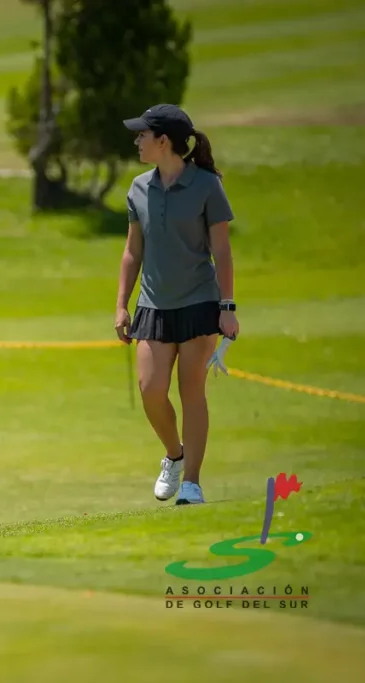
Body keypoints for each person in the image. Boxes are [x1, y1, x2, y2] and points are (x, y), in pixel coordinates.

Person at [116, 104, 240, 505]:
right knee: (150, 390)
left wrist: (227, 307)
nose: (138, 141)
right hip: (153, 306)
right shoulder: (138, 188)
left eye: (143, 135)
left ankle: (192, 483)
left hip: (199, 302)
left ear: (163, 141)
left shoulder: (206, 185)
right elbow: (132, 252)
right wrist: (121, 305)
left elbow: (222, 251)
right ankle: (174, 454)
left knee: (192, 392)